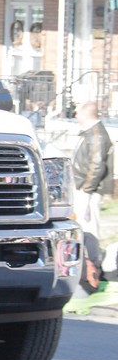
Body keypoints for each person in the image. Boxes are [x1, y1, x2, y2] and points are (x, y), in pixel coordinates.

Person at [72, 101, 114, 291]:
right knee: (83, 230)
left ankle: (92, 275)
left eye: (77, 112)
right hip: (83, 188)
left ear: (86, 114)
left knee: (90, 232)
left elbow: (97, 165)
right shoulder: (90, 133)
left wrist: (86, 190)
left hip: (87, 190)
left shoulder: (96, 134)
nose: (75, 116)